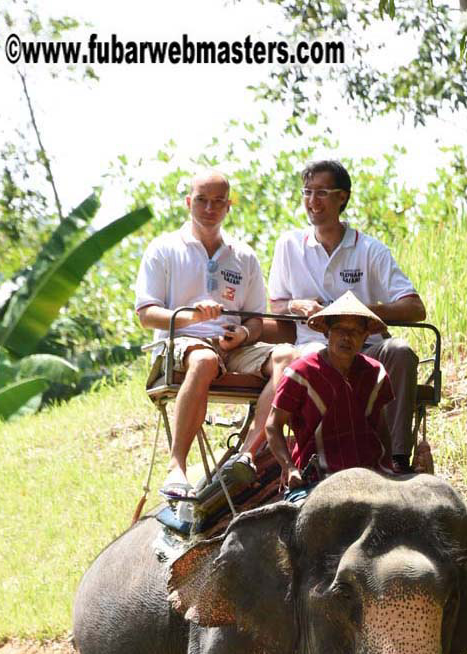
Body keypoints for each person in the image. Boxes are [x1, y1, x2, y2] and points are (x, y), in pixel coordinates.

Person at [243, 158, 425, 474]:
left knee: (400, 351)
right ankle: (314, 461)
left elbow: (415, 307)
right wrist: (298, 305)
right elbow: (277, 306)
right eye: (307, 192)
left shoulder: (370, 249)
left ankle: (396, 458)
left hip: (366, 345)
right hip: (316, 344)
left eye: (322, 193)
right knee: (313, 361)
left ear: (342, 197)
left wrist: (361, 312)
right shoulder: (289, 245)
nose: (313, 202)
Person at [135, 169, 283, 499]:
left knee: (291, 357)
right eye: (202, 200)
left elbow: (257, 319)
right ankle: (177, 466)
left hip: (233, 346)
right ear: (189, 202)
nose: (209, 208)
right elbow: (147, 315)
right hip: (184, 343)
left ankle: (247, 454)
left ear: (229, 206)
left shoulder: (243, 255)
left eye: (218, 202)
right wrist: (189, 316)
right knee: (203, 360)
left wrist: (243, 334)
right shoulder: (164, 248)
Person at [265, 292, 395, 500]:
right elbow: (272, 425)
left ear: (366, 336)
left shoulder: (375, 373)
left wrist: (388, 465)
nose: (346, 337)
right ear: (327, 333)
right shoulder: (300, 373)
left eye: (355, 331)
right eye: (340, 329)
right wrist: (289, 468)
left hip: (370, 474)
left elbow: (381, 427)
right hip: (316, 476)